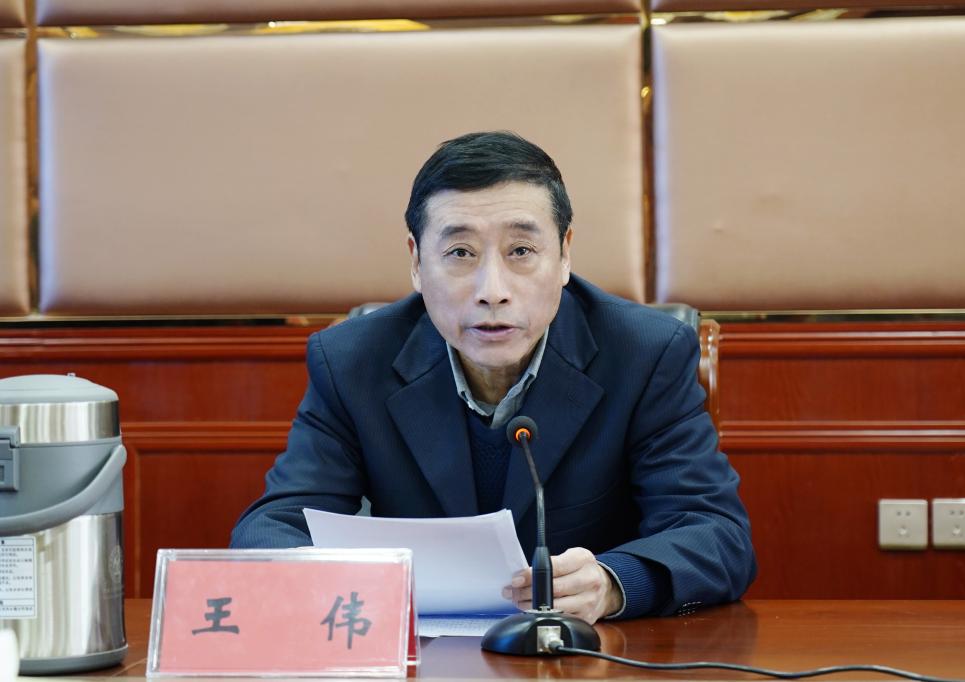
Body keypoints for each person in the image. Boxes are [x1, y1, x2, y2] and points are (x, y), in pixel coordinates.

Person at [231, 131, 756, 623]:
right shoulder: (352, 362)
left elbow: (716, 534)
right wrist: (363, 588)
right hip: (423, 656)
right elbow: (272, 529)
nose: (492, 291)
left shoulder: (644, 354)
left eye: (521, 251)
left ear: (564, 253)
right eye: (460, 253)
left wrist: (613, 583)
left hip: (585, 657)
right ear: (416, 261)